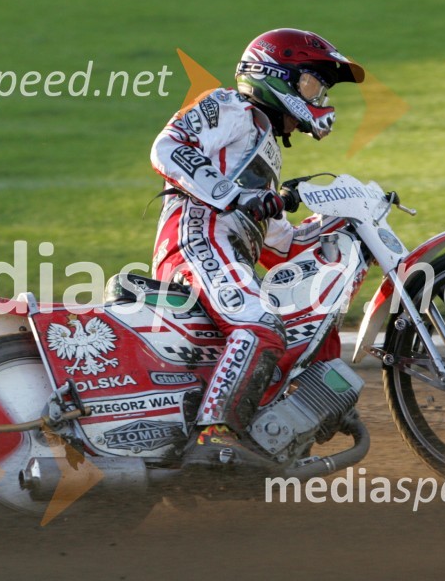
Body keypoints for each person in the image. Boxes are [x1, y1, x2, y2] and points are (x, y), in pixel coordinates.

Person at [149, 28, 364, 467]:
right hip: (197, 236)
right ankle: (216, 434)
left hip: (222, 245)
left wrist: (342, 219)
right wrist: (233, 195)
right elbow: (167, 147)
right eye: (310, 84)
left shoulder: (263, 150)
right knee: (262, 324)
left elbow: (281, 246)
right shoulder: (230, 106)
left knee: (276, 321)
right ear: (275, 75)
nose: (318, 96)